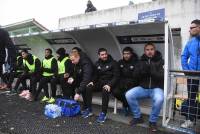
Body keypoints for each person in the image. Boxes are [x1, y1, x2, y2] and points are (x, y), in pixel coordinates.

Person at [125, 43, 164, 132]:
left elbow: (162, 76)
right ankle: (137, 117)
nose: (149, 51)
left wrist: (152, 70)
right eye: (147, 49)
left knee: (159, 98)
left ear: (154, 50)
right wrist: (141, 71)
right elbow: (135, 75)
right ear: (144, 51)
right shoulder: (140, 61)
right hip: (143, 88)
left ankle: (152, 121)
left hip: (156, 88)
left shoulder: (161, 61)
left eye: (151, 49)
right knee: (129, 94)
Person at [85, 48, 119, 123]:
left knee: (105, 90)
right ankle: (89, 109)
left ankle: (103, 113)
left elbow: (116, 76)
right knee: (88, 87)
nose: (104, 56)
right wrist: (92, 82)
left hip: (110, 83)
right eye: (102, 55)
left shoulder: (113, 63)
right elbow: (96, 75)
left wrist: (109, 84)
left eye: (105, 54)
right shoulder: (97, 63)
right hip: (100, 82)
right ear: (99, 56)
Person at [181, 19, 200, 128]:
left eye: (192, 27)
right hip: (192, 75)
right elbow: (184, 57)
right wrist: (187, 70)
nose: (190, 30)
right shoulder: (190, 42)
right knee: (191, 98)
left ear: (199, 28)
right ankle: (190, 120)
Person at [113, 47, 138, 116]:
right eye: (124, 54)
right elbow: (117, 74)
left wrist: (129, 83)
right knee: (115, 92)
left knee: (127, 93)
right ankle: (126, 104)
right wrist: (120, 83)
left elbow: (136, 77)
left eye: (128, 54)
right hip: (122, 83)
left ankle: (126, 106)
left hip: (132, 84)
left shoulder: (136, 63)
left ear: (131, 54)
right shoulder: (120, 62)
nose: (126, 55)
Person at [69, 51, 93, 118]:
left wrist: (78, 92)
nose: (72, 62)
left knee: (87, 87)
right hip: (84, 79)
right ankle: (82, 105)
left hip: (93, 80)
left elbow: (86, 78)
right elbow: (76, 73)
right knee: (73, 83)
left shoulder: (86, 63)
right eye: (71, 60)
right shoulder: (77, 63)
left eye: (73, 60)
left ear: (78, 57)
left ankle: (89, 109)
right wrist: (72, 78)